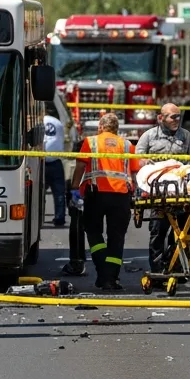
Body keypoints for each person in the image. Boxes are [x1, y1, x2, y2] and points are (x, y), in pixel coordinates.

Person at [71, 112, 135, 290]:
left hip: (96, 193)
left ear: (100, 127)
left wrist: (75, 186)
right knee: (116, 238)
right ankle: (111, 278)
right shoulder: (128, 145)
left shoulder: (90, 142)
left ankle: (103, 273)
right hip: (121, 196)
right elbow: (135, 172)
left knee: (93, 233)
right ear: (117, 129)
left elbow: (81, 166)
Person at [136, 103, 190, 274]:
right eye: (173, 116)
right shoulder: (149, 136)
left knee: (181, 233)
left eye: (179, 116)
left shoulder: (185, 136)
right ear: (160, 118)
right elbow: (138, 159)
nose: (177, 120)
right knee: (158, 232)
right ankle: (157, 270)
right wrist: (148, 163)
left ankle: (175, 267)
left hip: (180, 193)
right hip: (159, 193)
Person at [43, 110, 68, 226]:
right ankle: (59, 218)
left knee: (39, 192)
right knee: (59, 192)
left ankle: (39, 217)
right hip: (55, 162)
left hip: (40, 161)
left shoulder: (38, 121)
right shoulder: (58, 123)